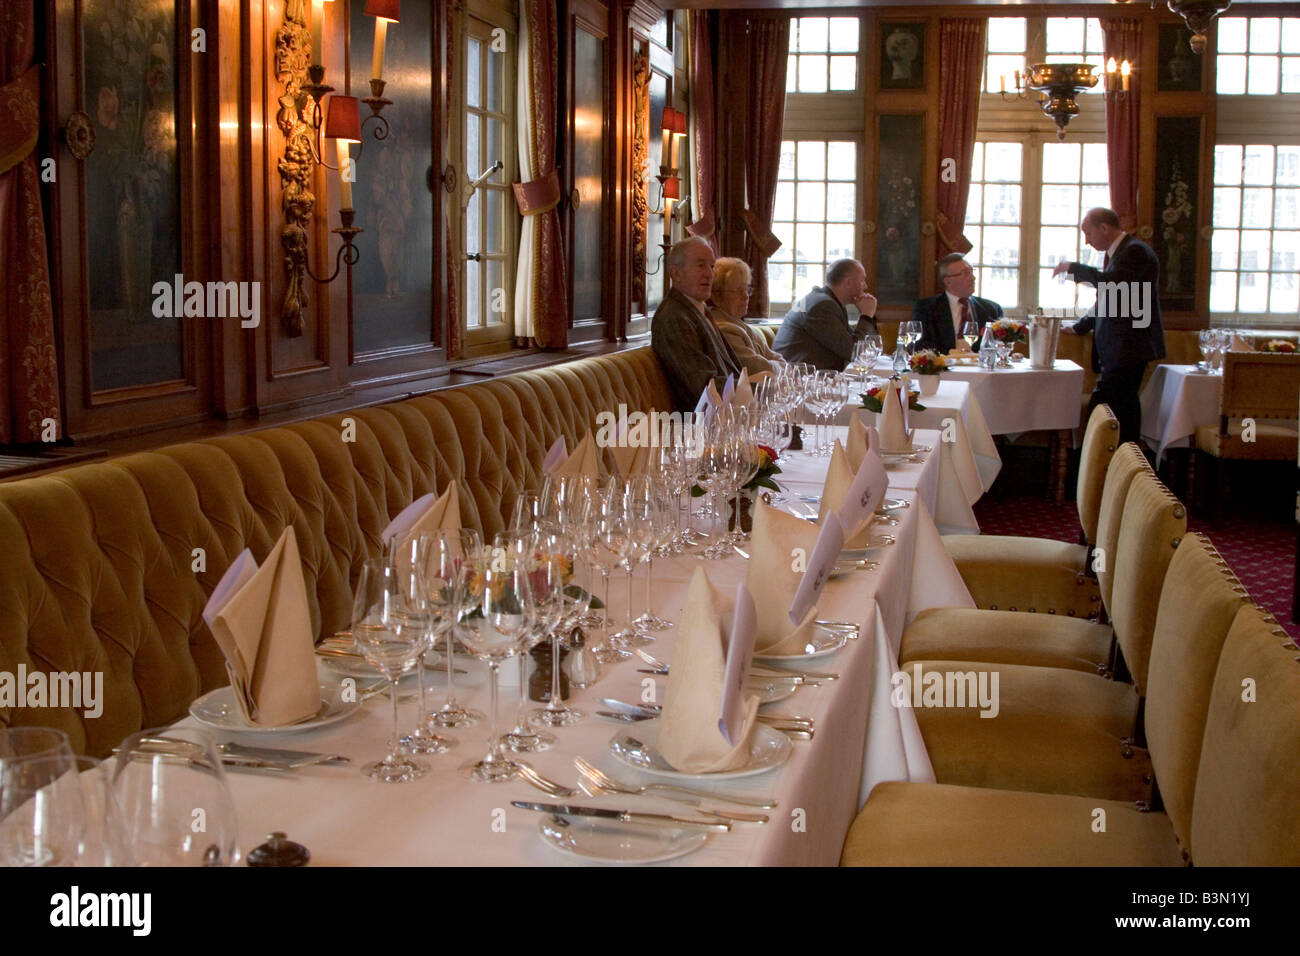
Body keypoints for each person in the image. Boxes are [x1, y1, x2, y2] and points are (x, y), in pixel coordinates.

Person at [1055, 207, 1166, 446]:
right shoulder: (1123, 252)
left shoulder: (1135, 252)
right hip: (1122, 347)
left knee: (1107, 409)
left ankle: (1116, 469)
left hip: (1129, 345)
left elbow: (1110, 286)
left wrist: (1071, 269)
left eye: (1088, 233)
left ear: (1104, 228)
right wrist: (1080, 327)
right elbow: (1109, 299)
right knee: (1120, 409)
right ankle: (1121, 467)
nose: (1086, 240)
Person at [651, 237, 744, 413]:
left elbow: (731, 373)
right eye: (701, 265)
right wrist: (763, 392)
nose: (709, 274)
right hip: (701, 429)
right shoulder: (674, 318)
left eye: (711, 266)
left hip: (730, 416)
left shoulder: (699, 310)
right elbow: (706, 388)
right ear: (676, 274)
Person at [772, 259, 879, 371]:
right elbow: (855, 353)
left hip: (812, 377)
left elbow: (868, 349)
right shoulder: (822, 306)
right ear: (848, 283)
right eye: (862, 280)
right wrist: (866, 315)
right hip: (798, 380)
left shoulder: (827, 302)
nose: (865, 286)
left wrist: (868, 317)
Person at [708, 258, 786, 377]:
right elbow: (757, 368)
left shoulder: (740, 324)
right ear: (717, 296)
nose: (745, 296)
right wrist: (782, 368)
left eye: (746, 289)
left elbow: (774, 358)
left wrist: (780, 366)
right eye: (738, 291)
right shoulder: (724, 330)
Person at [913, 253, 1004, 354]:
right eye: (965, 273)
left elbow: (998, 345)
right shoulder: (926, 308)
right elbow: (921, 345)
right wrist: (955, 356)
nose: (973, 277)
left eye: (972, 271)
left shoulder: (992, 309)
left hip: (980, 367)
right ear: (948, 281)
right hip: (944, 366)